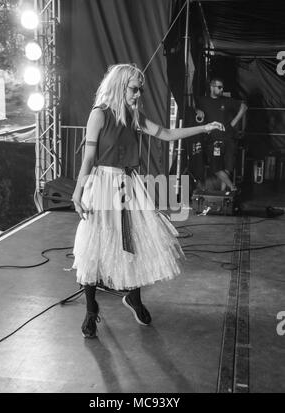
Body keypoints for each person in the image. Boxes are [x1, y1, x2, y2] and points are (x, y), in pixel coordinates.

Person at [72, 64, 224, 339]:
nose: (138, 94)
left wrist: (204, 128)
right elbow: (89, 158)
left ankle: (134, 297)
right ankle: (91, 309)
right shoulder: (99, 114)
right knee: (94, 244)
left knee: (136, 242)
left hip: (129, 184)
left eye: (140, 89)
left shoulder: (134, 116)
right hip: (103, 184)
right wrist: (77, 191)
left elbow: (165, 134)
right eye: (134, 88)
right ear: (120, 85)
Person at [195, 77, 247, 192]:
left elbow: (244, 106)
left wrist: (233, 123)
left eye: (222, 87)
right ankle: (232, 187)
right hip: (213, 140)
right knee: (216, 168)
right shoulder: (202, 101)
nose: (222, 89)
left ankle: (223, 194)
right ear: (211, 87)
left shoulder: (226, 101)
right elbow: (193, 107)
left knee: (228, 168)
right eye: (219, 87)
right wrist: (197, 111)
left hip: (229, 139)